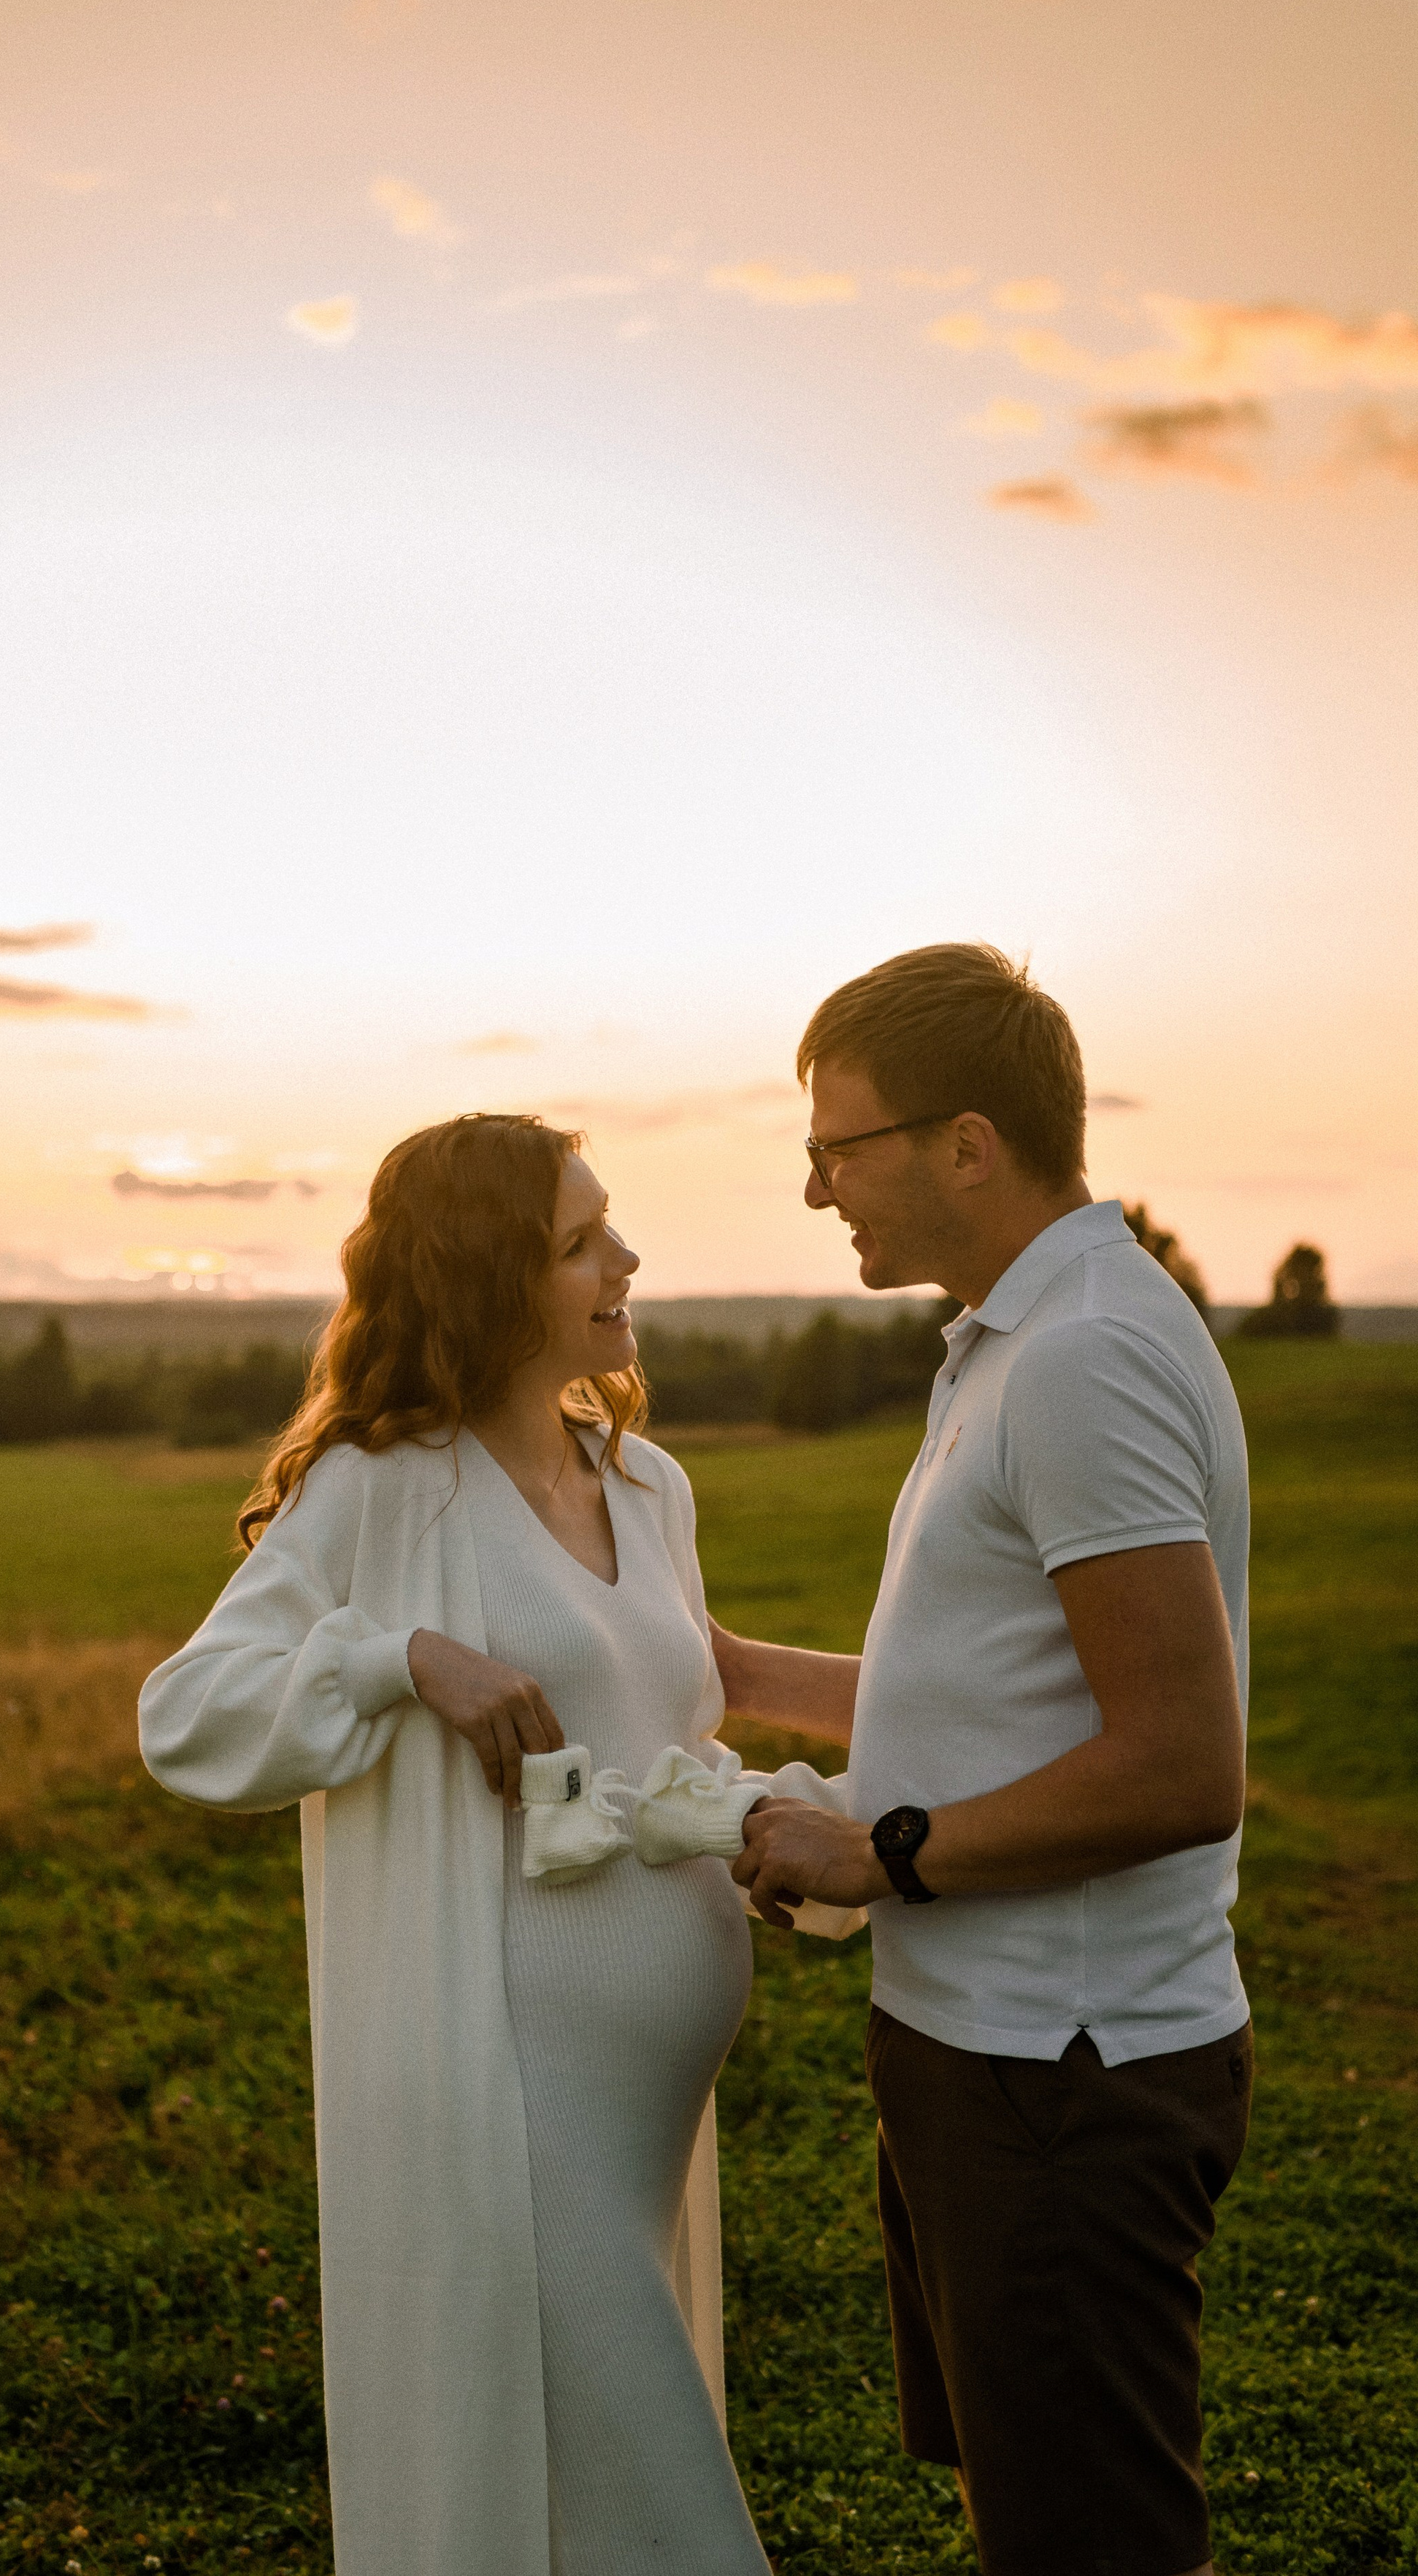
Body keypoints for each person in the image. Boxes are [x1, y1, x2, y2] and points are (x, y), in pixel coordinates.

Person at [138, 1113, 781, 2576]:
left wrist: (758, 1813)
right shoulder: (380, 1490)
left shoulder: (646, 1485)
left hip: (643, 2118)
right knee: (672, 2532)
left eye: (610, 1226)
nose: (625, 1259)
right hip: (504, 2106)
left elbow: (667, 1733)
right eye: (579, 1242)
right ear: (493, 1276)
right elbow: (186, 1716)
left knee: (586, 2516)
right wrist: (396, 1659)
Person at [717, 942, 1252, 2576]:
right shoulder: (1011, 1339)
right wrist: (737, 1675)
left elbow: (1174, 1760)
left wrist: (874, 1850)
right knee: (1027, 2513)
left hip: (1059, 2075)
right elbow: (1012, 1684)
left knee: (1087, 2539)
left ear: (966, 1142)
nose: (814, 1191)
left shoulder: (1082, 1356)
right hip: (986, 2055)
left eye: (838, 1148)